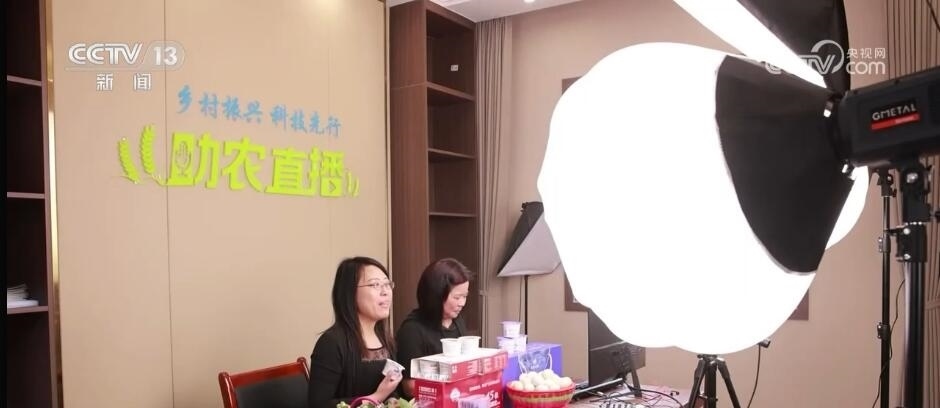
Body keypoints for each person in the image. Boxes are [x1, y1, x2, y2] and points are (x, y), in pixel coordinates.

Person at [308, 257, 402, 408]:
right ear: (350, 292)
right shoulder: (331, 343)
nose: (385, 292)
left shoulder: (385, 338)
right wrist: (376, 397)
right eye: (375, 284)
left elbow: (391, 392)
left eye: (387, 284)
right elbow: (318, 405)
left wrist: (392, 400)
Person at [395, 258, 473, 398]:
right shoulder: (412, 330)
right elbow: (410, 387)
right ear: (436, 295)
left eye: (465, 296)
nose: (462, 303)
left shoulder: (457, 321)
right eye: (457, 297)